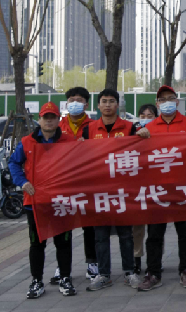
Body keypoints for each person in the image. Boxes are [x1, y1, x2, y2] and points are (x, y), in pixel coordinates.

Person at [135, 85, 186, 291]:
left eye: (170, 98)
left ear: (177, 101)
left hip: (183, 187)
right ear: (157, 104)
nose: (167, 102)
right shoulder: (148, 128)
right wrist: (139, 138)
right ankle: (153, 272)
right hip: (158, 189)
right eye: (162, 100)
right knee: (155, 234)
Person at [9, 102, 76, 299]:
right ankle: (36, 280)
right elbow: (14, 162)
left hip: (61, 200)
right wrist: (22, 181)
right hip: (35, 202)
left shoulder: (68, 141)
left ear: (58, 120)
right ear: (39, 119)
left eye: (52, 117)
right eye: (45, 117)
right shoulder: (27, 142)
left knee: (63, 241)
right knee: (37, 242)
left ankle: (65, 278)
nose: (49, 120)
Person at [82, 89, 141, 291]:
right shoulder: (88, 130)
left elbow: (140, 153)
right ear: (98, 106)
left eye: (112, 101)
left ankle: (129, 272)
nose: (107, 105)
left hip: (123, 190)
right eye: (104, 101)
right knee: (100, 235)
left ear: (118, 105)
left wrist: (144, 136)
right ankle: (104, 274)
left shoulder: (130, 127)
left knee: (126, 234)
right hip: (98, 190)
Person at [56, 87, 96, 284]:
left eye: (79, 100)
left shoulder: (93, 127)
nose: (74, 103)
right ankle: (62, 267)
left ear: (86, 104)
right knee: (64, 226)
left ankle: (92, 263)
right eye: (71, 100)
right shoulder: (56, 125)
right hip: (63, 184)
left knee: (89, 225)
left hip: (87, 183)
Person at [132, 104, 158, 276]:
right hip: (137, 185)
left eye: (150, 115)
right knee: (137, 226)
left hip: (157, 184)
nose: (146, 118)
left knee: (156, 226)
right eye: (143, 115)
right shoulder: (132, 131)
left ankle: (156, 259)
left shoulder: (159, 131)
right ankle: (136, 258)